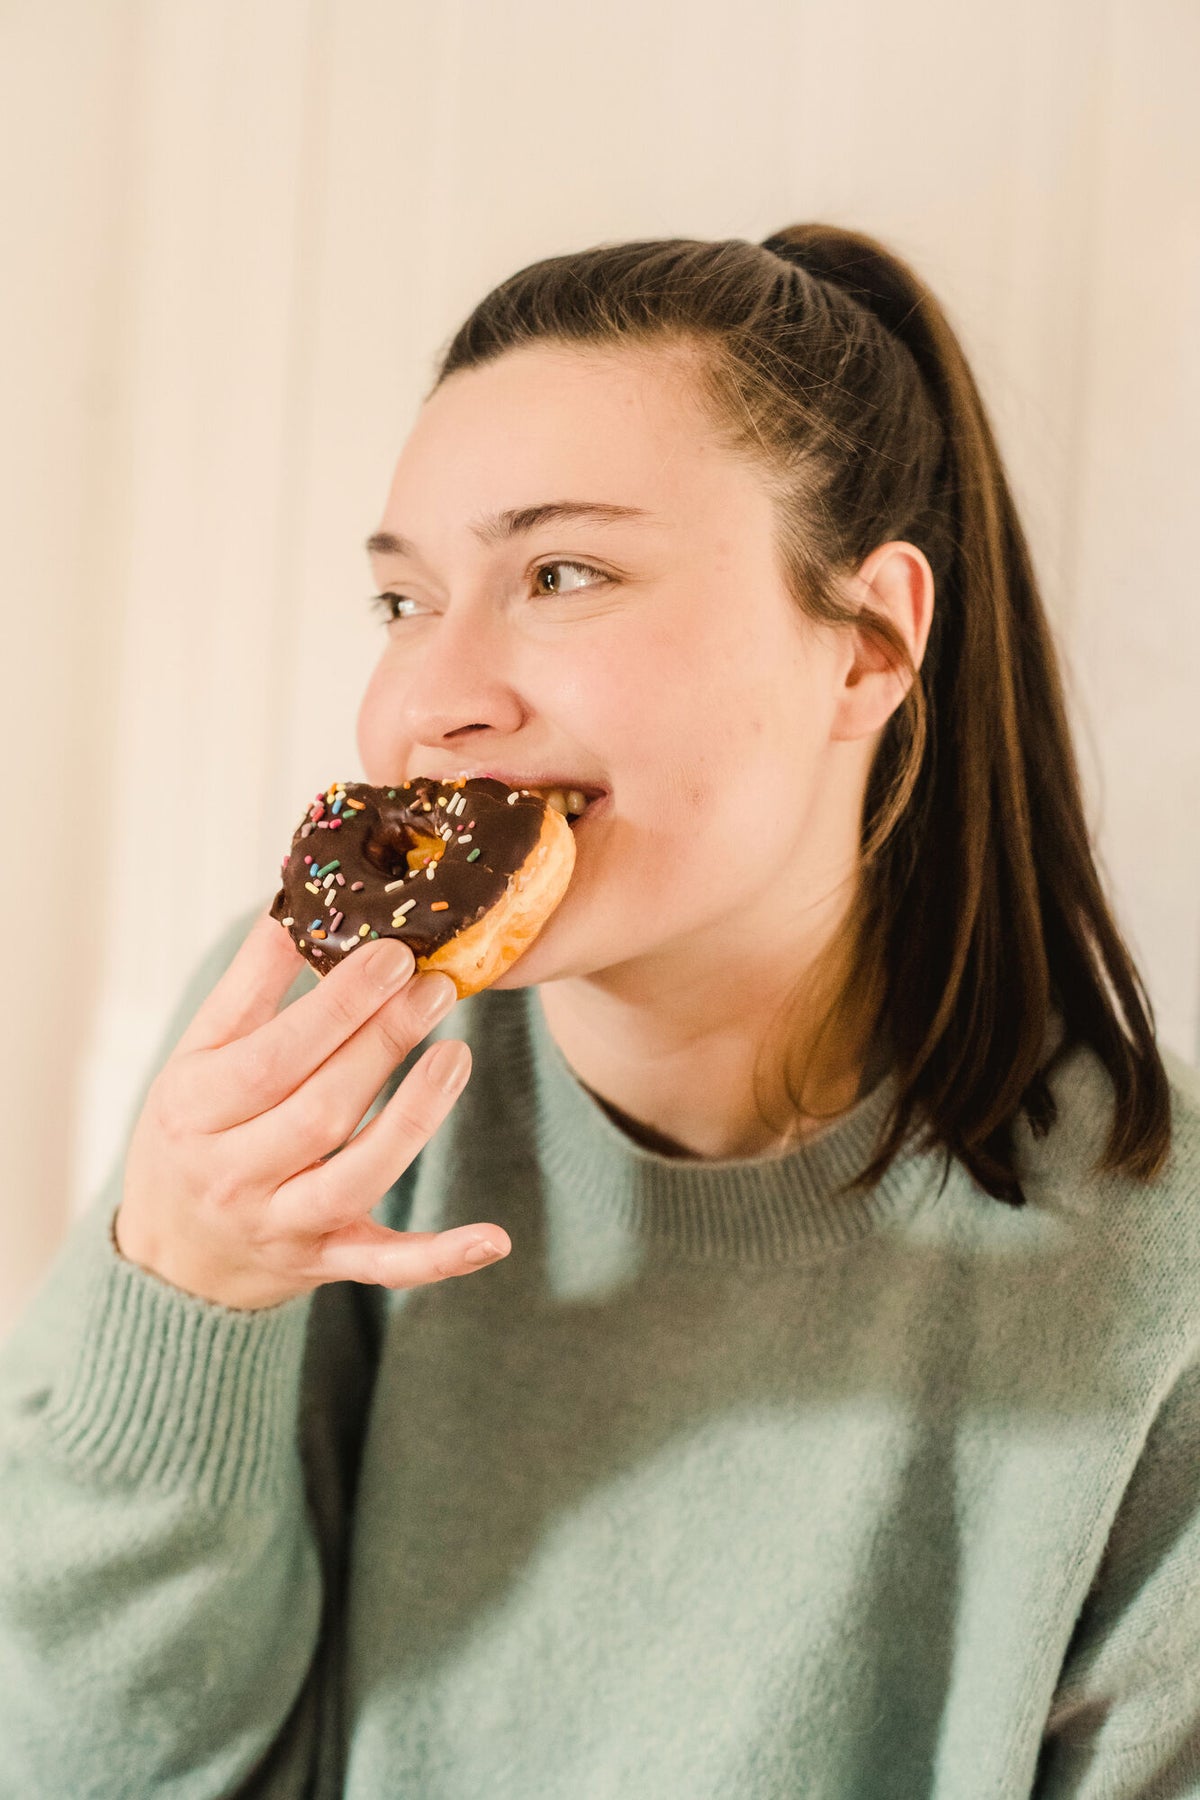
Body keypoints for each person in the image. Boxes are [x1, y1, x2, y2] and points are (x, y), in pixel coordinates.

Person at [1, 224, 1197, 1799]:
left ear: (871, 640)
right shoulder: (305, 1068)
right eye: (402, 602)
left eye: (561, 574)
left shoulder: (1157, 1271)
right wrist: (184, 1300)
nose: (433, 700)